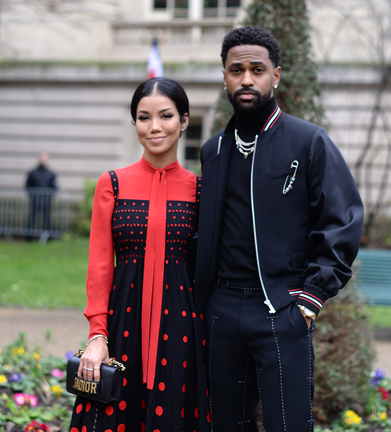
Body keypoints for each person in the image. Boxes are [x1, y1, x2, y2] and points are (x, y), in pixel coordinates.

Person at [194, 26, 364, 431]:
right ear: (224, 76)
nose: (247, 79)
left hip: (282, 307)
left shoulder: (309, 142)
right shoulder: (213, 150)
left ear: (277, 75)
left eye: (257, 69)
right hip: (221, 311)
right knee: (227, 425)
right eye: (237, 70)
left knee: (288, 424)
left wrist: (309, 300)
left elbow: (343, 220)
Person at [69, 77, 211, 432]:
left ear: (184, 120)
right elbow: (101, 264)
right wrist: (97, 335)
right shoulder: (112, 183)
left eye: (165, 116)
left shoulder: (200, 190)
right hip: (122, 326)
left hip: (181, 328)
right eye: (144, 118)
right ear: (134, 123)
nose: (155, 127)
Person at [25, 152, 58, 238]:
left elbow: (54, 187)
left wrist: (49, 197)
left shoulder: (51, 174)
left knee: (47, 219)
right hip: (35, 200)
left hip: (46, 201)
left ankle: (49, 236)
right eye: (41, 157)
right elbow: (28, 186)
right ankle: (29, 236)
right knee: (32, 218)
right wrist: (33, 196)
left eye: (45, 157)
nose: (43, 159)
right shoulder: (33, 173)